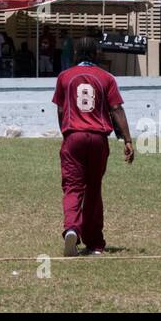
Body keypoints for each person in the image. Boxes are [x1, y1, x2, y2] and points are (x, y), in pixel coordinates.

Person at [52, 45, 134, 256]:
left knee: (73, 187)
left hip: (74, 137)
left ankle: (71, 228)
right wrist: (127, 139)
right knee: (94, 189)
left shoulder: (64, 76)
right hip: (98, 139)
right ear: (97, 55)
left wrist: (66, 134)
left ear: (77, 54)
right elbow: (116, 108)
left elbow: (61, 109)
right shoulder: (106, 78)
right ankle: (95, 244)